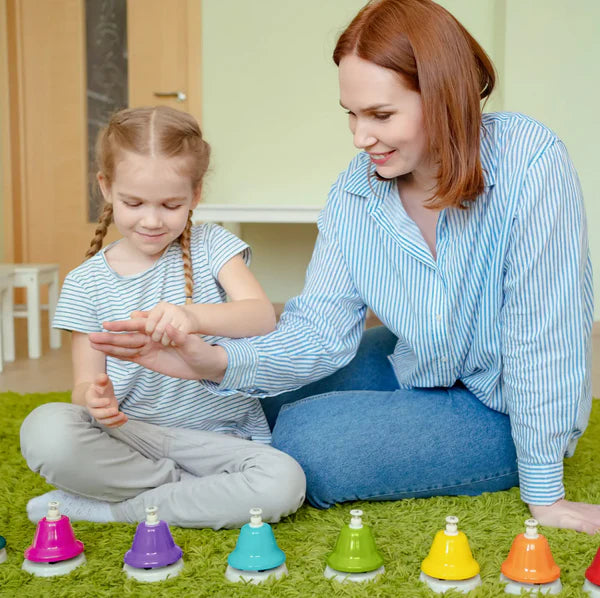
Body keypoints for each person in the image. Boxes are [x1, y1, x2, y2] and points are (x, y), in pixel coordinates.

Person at [86, 0, 599, 534]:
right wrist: (210, 361)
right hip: (423, 362)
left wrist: (546, 492)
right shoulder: (355, 191)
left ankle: (170, 482)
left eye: (380, 115)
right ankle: (184, 454)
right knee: (260, 393)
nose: (360, 137)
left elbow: (545, 335)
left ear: (446, 97)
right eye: (351, 114)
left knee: (310, 441)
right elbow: (318, 329)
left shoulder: (530, 161)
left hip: (501, 400)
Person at [19, 105, 306, 530]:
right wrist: (94, 401)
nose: (152, 220)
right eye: (133, 202)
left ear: (196, 194)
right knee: (45, 429)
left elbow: (261, 316)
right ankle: (188, 494)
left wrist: (191, 316)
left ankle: (113, 509)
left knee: (284, 481)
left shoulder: (214, 246)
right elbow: (83, 384)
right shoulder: (85, 283)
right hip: (135, 437)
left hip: (221, 440)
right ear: (106, 187)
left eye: (171, 204)